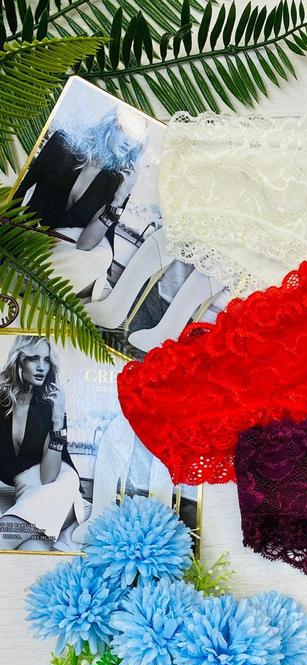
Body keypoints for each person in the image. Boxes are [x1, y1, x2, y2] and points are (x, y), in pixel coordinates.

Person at [14, 108, 147, 297]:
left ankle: (27, 291)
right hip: (39, 230)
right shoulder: (63, 143)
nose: (130, 143)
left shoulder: (121, 182)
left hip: (78, 244)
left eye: (137, 139)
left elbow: (85, 244)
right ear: (111, 125)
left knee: (95, 259)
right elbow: (24, 185)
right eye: (127, 131)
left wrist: (119, 198)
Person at [0, 337, 89, 551]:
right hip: (28, 492)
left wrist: (58, 420)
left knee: (3, 536)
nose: (41, 367)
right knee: (33, 550)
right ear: (19, 361)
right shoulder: (2, 404)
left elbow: (48, 477)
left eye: (46, 360)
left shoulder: (50, 405)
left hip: (59, 484)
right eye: (33, 359)